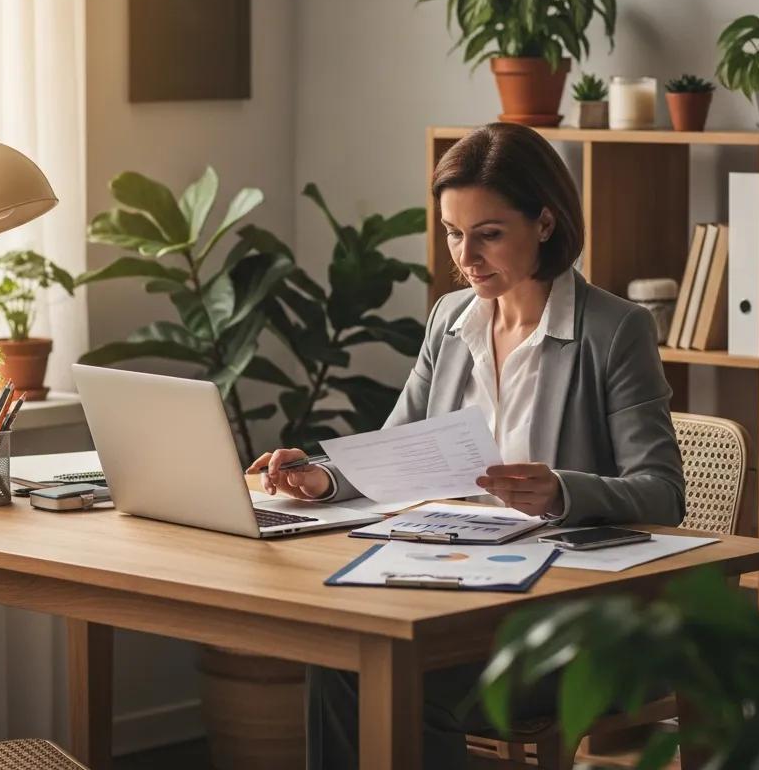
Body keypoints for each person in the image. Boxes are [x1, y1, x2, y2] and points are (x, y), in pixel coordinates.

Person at [246, 122, 685, 770]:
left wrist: (563, 490)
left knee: (404, 680)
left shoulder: (614, 330)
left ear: (545, 222)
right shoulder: (451, 319)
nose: (466, 256)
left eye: (488, 233)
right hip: (455, 591)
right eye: (454, 232)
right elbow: (392, 448)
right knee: (340, 663)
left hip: (571, 620)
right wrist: (319, 477)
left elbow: (663, 493)